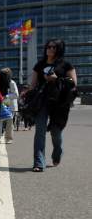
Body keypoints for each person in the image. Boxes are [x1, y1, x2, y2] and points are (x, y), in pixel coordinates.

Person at [29, 38, 77, 172]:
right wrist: (28, 92)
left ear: (59, 49)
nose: (50, 49)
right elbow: (33, 85)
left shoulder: (66, 65)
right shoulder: (39, 65)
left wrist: (57, 79)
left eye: (54, 47)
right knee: (40, 131)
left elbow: (73, 83)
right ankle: (39, 162)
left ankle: (57, 151)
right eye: (48, 47)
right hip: (42, 101)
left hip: (59, 103)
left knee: (56, 133)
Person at [0, 67, 18, 144]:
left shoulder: (12, 82)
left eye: (5, 74)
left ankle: (9, 138)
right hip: (1, 103)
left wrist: (6, 96)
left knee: (9, 123)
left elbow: (16, 95)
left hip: (10, 105)